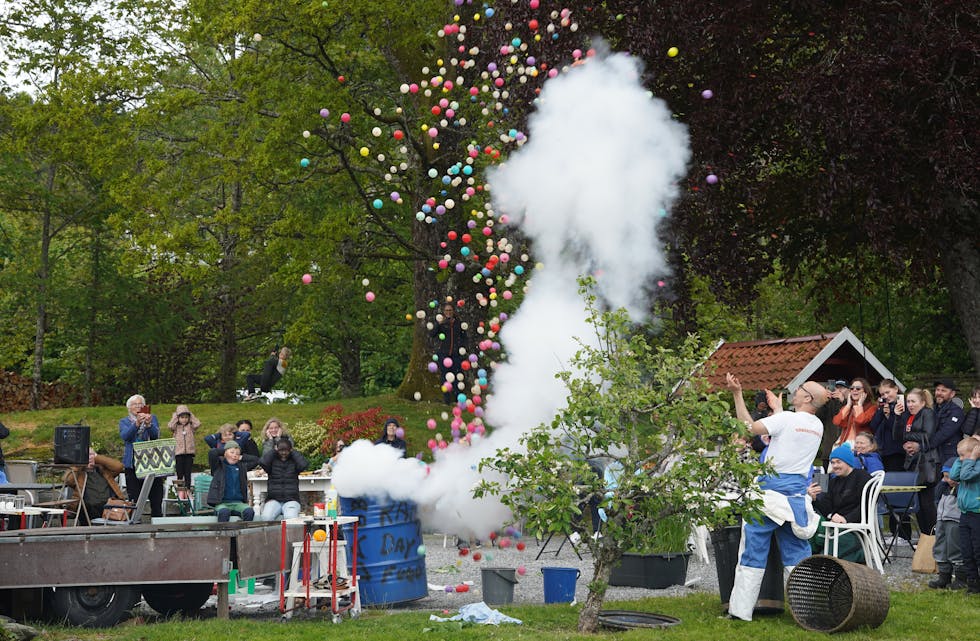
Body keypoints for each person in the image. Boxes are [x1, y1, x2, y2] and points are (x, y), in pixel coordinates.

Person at [725, 373, 827, 622]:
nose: (795, 390)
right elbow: (788, 433)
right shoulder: (817, 426)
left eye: (800, 388)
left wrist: (737, 394)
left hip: (768, 496)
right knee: (797, 555)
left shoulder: (787, 419)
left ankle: (740, 612)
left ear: (806, 397)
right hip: (795, 500)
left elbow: (748, 428)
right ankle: (809, 612)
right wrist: (778, 410)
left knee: (752, 553)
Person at [807, 445, 873, 562]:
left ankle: (820, 560)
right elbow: (827, 508)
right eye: (832, 463)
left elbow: (868, 505)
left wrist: (846, 518)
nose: (835, 466)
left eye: (839, 462)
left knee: (820, 531)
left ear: (848, 462)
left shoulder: (862, 477)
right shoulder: (833, 482)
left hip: (854, 524)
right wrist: (814, 499)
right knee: (810, 522)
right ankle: (809, 559)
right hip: (835, 523)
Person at [895, 388, 939, 535]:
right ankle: (925, 536)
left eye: (913, 401)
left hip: (926, 462)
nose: (910, 405)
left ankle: (933, 535)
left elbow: (928, 435)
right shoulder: (909, 416)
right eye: (908, 401)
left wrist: (910, 438)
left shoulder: (927, 413)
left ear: (922, 402)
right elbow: (897, 435)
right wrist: (897, 417)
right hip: (913, 462)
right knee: (919, 503)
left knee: (927, 502)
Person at [119, 394, 165, 518]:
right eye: (135, 404)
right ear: (129, 408)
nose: (139, 406)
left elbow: (156, 435)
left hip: (151, 461)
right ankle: (135, 521)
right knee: (134, 495)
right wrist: (137, 424)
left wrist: (149, 425)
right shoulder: (124, 421)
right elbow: (125, 436)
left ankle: (157, 519)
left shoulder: (152, 418)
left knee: (156, 493)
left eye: (141, 404)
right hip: (133, 463)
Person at [929, 454, 966, 589]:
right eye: (945, 476)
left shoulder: (962, 488)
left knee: (955, 548)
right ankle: (944, 577)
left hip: (955, 521)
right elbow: (937, 501)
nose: (947, 480)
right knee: (940, 547)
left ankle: (961, 578)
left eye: (950, 476)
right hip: (941, 520)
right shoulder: (942, 487)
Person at [64, 448, 127, 525]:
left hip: (109, 505)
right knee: (85, 508)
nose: (89, 458)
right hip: (88, 507)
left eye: (91, 455)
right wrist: (79, 464)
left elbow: (119, 467)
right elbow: (67, 480)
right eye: (86, 456)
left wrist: (97, 458)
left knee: (110, 506)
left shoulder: (104, 470)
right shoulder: (79, 473)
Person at [950, 437, 980, 594]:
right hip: (965, 514)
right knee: (966, 550)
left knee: (977, 550)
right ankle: (973, 584)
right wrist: (962, 459)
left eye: (962, 455)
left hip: (977, 514)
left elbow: (967, 476)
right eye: (958, 455)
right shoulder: (964, 464)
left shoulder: (977, 466)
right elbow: (954, 476)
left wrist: (973, 458)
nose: (960, 459)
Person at [207, 441, 258, 522]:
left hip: (238, 503)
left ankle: (242, 534)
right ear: (225, 453)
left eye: (237, 454)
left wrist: (241, 457)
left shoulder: (242, 467)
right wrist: (225, 451)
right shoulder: (218, 465)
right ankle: (222, 534)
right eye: (232, 452)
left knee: (249, 511)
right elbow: (212, 453)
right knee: (224, 512)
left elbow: (256, 460)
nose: (235, 455)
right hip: (222, 503)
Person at [259, 439, 309, 521]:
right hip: (273, 499)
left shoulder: (294, 461)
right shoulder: (272, 461)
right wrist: (273, 451)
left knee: (290, 518)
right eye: (280, 451)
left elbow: (304, 465)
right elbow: (262, 462)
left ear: (290, 450)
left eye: (286, 451)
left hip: (291, 499)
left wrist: (293, 452)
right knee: (266, 517)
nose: (283, 453)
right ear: (277, 450)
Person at [430, 302, 467, 404]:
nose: (448, 312)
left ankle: (457, 398)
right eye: (446, 310)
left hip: (455, 354)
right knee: (444, 377)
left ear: (453, 311)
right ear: (443, 312)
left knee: (457, 376)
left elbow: (464, 337)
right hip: (443, 354)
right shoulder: (441, 323)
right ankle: (446, 400)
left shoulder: (458, 323)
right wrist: (438, 324)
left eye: (450, 310)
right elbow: (432, 334)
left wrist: (462, 347)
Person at [870, 379, 906, 471]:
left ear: (896, 389)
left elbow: (898, 430)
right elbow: (873, 426)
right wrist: (881, 411)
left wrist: (889, 416)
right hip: (883, 451)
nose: (886, 396)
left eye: (887, 392)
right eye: (882, 394)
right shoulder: (883, 406)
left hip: (898, 451)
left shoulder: (903, 405)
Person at [832, 378, 876, 446]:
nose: (854, 390)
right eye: (852, 388)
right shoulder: (848, 407)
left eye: (858, 388)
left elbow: (860, 421)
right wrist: (848, 405)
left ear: (865, 392)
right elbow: (837, 421)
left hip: (862, 445)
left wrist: (859, 405)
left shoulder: (872, 407)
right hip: (845, 443)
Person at [168, 405, 201, 495]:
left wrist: (191, 415)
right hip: (178, 453)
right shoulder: (176, 427)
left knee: (188, 473)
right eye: (182, 417)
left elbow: (198, 424)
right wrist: (175, 416)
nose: (184, 419)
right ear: (178, 417)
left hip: (189, 453)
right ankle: (180, 490)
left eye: (186, 417)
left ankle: (188, 489)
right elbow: (170, 425)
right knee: (179, 473)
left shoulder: (190, 426)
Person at [932, 378, 966, 464]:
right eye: (937, 390)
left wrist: (922, 446)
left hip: (949, 457)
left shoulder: (957, 412)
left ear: (952, 394)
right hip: (933, 456)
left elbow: (944, 433)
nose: (939, 393)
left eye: (943, 391)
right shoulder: (931, 408)